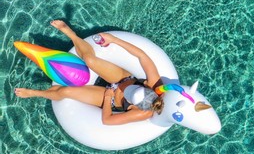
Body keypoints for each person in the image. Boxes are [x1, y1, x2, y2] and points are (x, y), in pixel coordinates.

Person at [15, 20, 165, 125]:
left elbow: (107, 120)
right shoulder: (155, 84)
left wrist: (108, 98)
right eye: (137, 88)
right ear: (146, 86)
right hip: (123, 78)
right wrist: (114, 39)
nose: (127, 91)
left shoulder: (140, 113)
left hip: (110, 98)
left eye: (129, 94)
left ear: (133, 106)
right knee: (89, 60)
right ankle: (71, 34)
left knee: (66, 91)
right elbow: (142, 55)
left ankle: (34, 93)